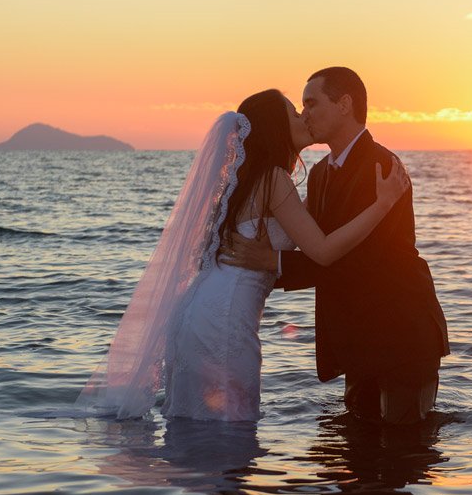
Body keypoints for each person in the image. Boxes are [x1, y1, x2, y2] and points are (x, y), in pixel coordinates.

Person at [75, 89, 409, 421]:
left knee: (193, 428)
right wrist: (382, 204)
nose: (303, 117)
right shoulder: (273, 180)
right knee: (230, 430)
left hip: (197, 312)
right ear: (276, 128)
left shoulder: (246, 183)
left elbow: (305, 229)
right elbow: (322, 251)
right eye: (294, 113)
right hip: (225, 321)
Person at [223, 68, 449, 425]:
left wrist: (274, 263)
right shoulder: (320, 174)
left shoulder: (382, 165)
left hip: (402, 335)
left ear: (345, 104)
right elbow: (320, 246)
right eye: (301, 106)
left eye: (311, 103)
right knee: (356, 457)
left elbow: (364, 259)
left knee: (403, 453)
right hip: (357, 342)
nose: (305, 114)